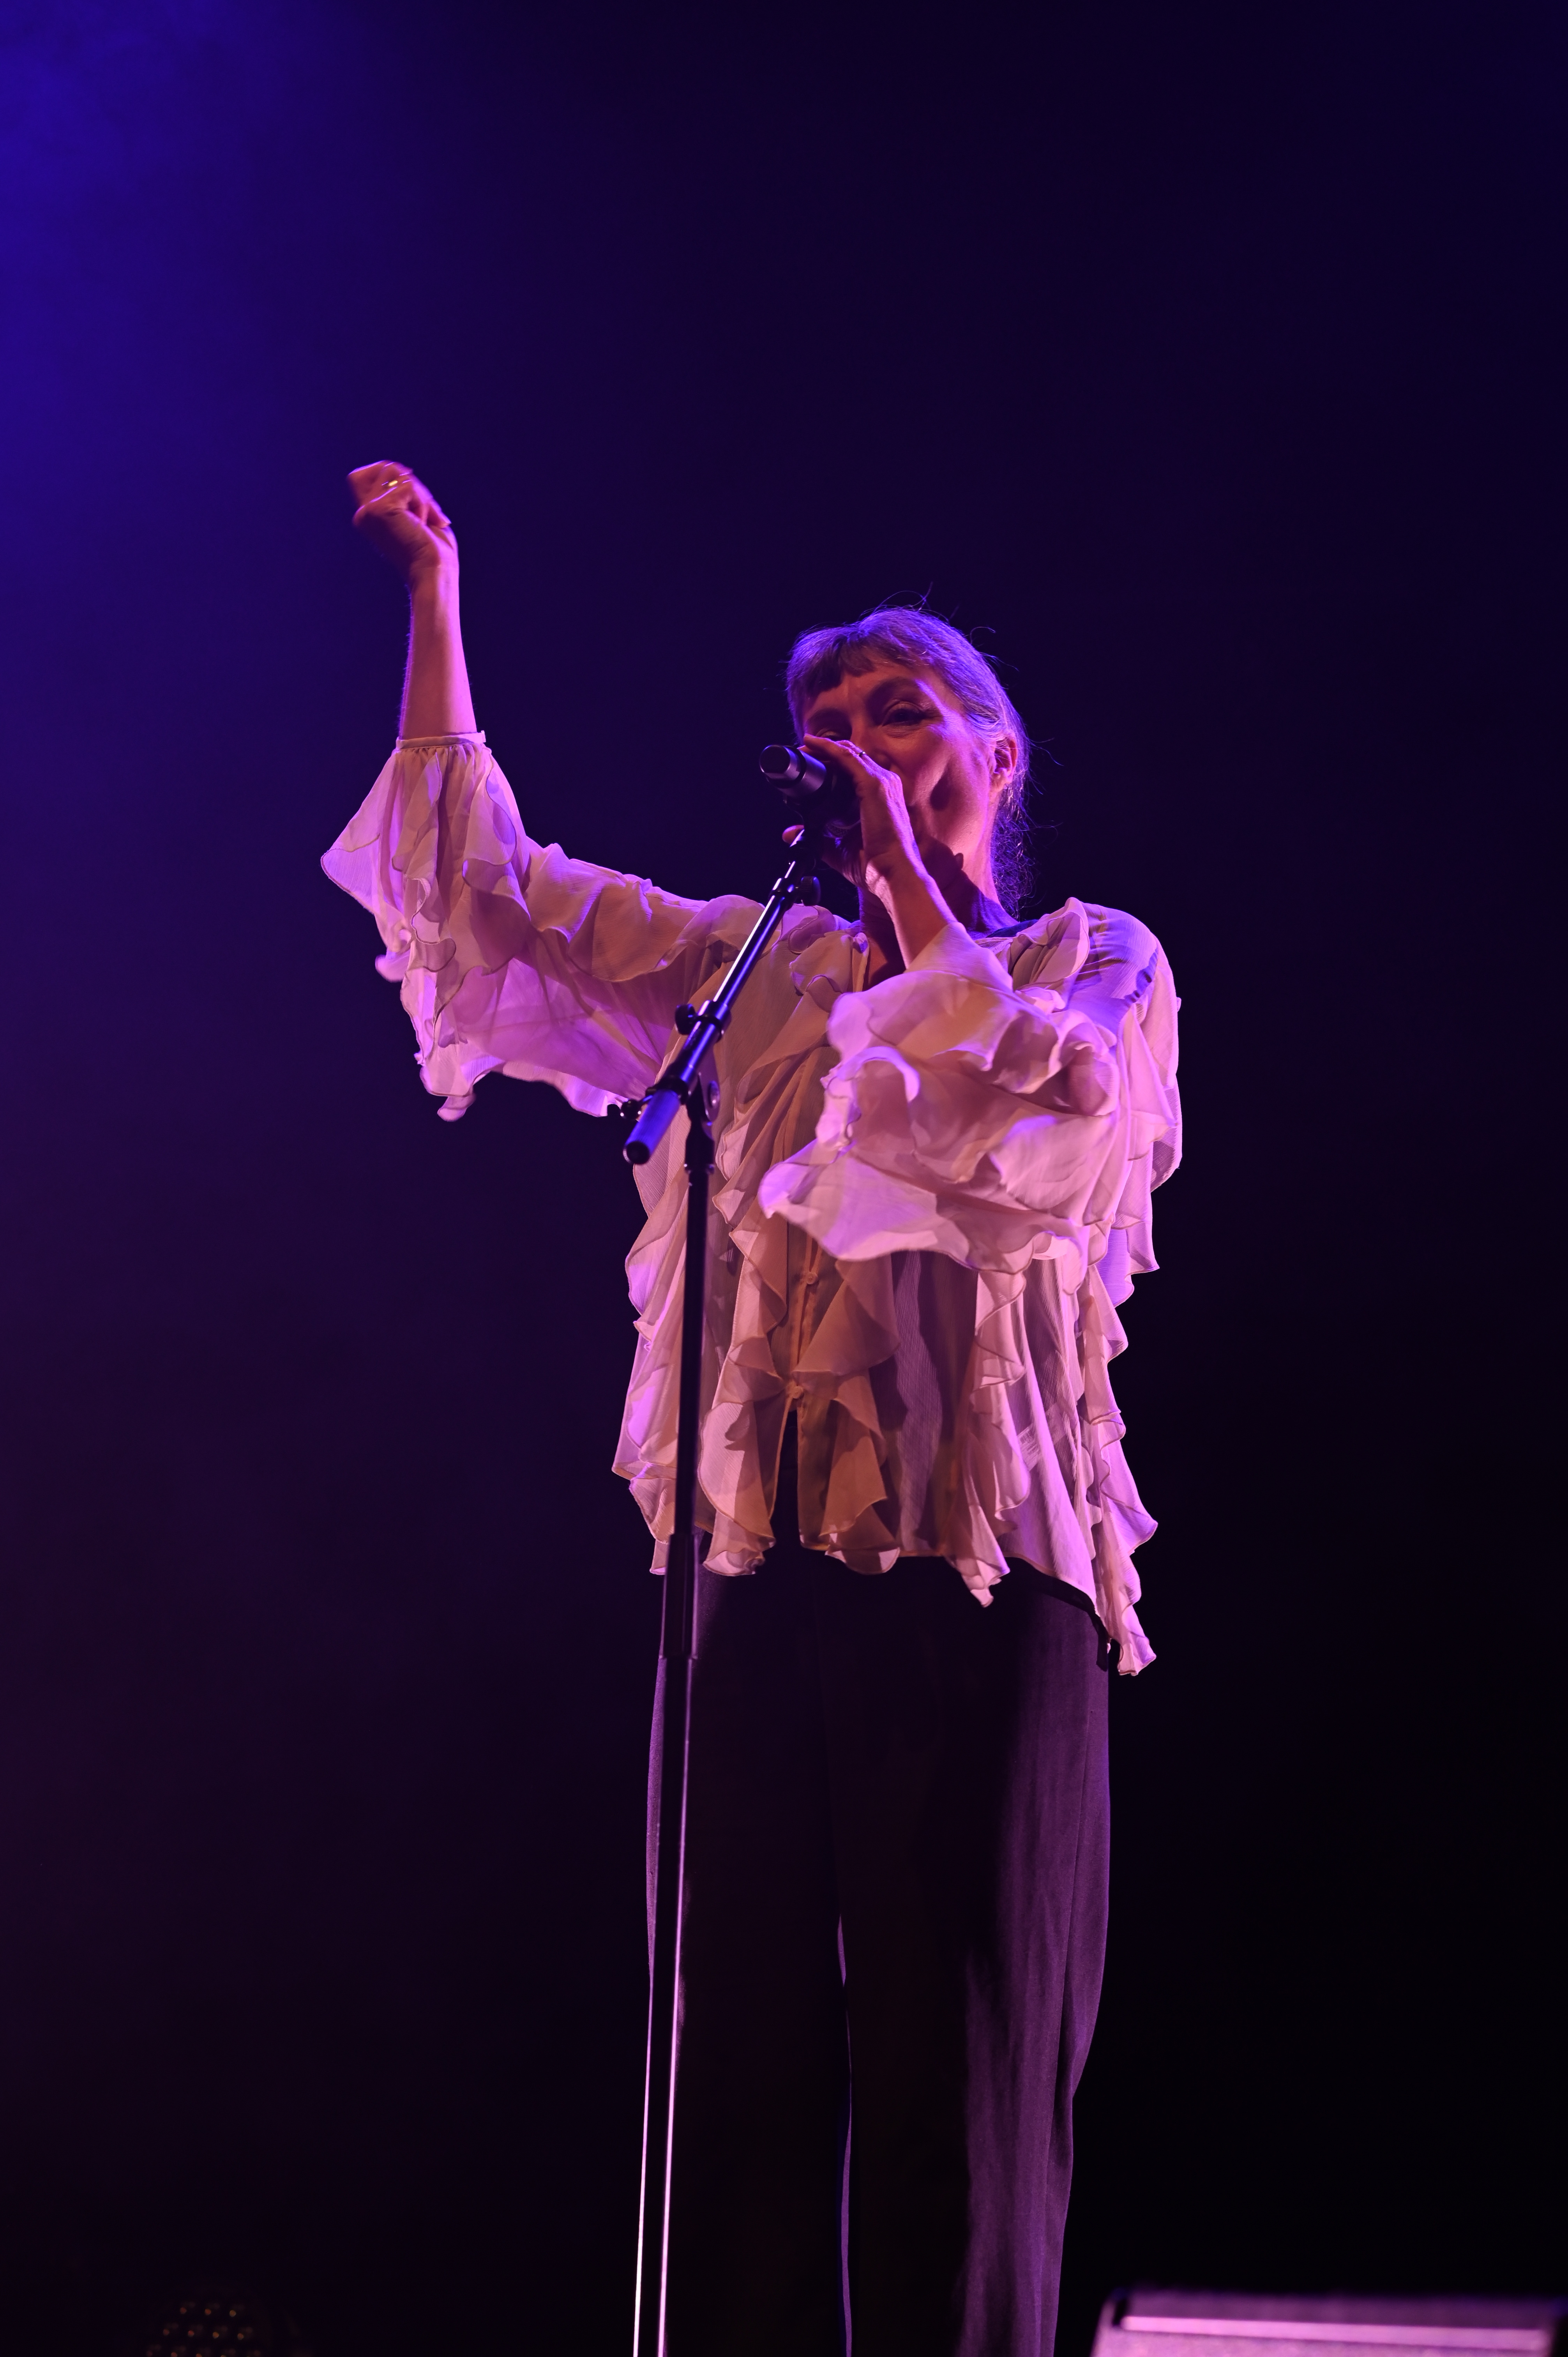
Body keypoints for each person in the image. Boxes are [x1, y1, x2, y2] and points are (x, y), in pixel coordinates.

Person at [325, 463, 1181, 2357]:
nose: (860, 745)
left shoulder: (1092, 962)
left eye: (903, 714)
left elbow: (1027, 1118)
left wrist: (905, 879)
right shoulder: (752, 972)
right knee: (732, 2071)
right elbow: (483, 904)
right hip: (752, 1565)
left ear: (996, 755)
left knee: (958, 2084)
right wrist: (437, 602)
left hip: (980, 1574)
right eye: (830, 724)